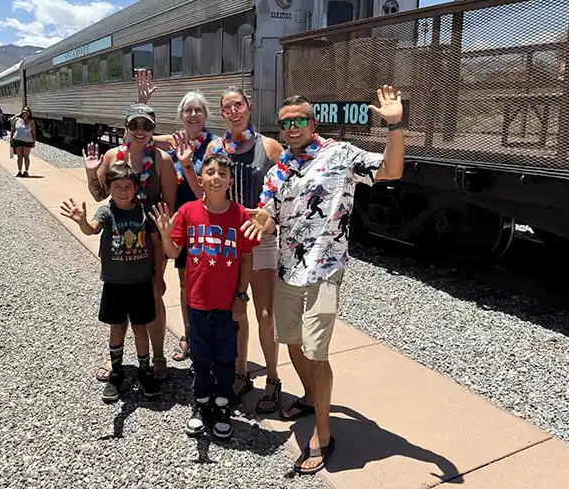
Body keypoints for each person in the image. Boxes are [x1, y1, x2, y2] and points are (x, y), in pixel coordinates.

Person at [241, 87, 405, 474]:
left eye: (300, 120)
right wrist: (263, 219)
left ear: (313, 123)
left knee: (316, 353)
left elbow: (392, 170)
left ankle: (324, 434)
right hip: (286, 270)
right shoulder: (279, 170)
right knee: (293, 343)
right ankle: (313, 397)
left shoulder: (339, 155)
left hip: (324, 270)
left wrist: (395, 125)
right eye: (286, 122)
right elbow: (268, 212)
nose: (293, 127)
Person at [150, 153, 257, 440]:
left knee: (226, 358)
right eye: (210, 172)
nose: (216, 178)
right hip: (197, 302)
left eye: (223, 173)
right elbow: (174, 253)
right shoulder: (187, 211)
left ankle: (222, 405)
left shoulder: (239, 215)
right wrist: (165, 234)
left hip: (227, 304)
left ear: (231, 181)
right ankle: (201, 404)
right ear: (201, 179)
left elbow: (246, 260)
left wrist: (241, 296)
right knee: (200, 357)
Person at [198, 86, 285, 415]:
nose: (233, 111)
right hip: (226, 239)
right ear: (222, 114)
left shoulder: (270, 147)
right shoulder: (215, 147)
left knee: (265, 314)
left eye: (238, 105)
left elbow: (289, 189)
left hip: (260, 239)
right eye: (227, 108)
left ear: (249, 108)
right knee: (236, 311)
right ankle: (240, 373)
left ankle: (273, 378)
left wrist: (272, 220)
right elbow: (207, 186)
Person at [83, 102, 177, 384]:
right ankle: (117, 359)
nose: (140, 131)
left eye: (146, 126)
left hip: (150, 239)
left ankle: (157, 356)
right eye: (134, 125)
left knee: (154, 295)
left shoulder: (162, 160)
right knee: (121, 299)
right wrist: (91, 172)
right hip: (118, 243)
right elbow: (100, 194)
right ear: (126, 127)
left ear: (152, 130)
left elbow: (169, 206)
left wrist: (162, 244)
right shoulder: (113, 155)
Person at [60, 164, 164, 403]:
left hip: (141, 282)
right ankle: (116, 373)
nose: (123, 192)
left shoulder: (145, 213)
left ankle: (144, 370)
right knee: (117, 328)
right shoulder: (106, 213)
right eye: (117, 187)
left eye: (128, 186)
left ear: (137, 188)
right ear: (109, 189)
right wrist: (81, 221)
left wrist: (158, 278)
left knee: (141, 329)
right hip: (115, 283)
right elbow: (91, 229)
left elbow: (157, 245)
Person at [135, 70, 217, 365]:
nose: (193, 114)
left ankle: (198, 335)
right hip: (173, 223)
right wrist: (142, 103)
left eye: (198, 109)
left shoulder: (214, 145)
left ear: (205, 115)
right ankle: (187, 335)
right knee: (175, 283)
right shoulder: (173, 140)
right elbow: (136, 136)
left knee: (193, 283)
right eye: (188, 109)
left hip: (202, 224)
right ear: (181, 115)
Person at [12, 107, 37, 177]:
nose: (25, 112)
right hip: (17, 140)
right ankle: (19, 171)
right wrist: (11, 140)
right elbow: (13, 130)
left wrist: (34, 142)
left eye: (27, 111)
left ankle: (26, 171)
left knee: (26, 156)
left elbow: (33, 133)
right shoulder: (17, 120)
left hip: (27, 141)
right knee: (19, 156)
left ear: (29, 113)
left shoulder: (31, 122)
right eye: (24, 110)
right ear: (22, 112)